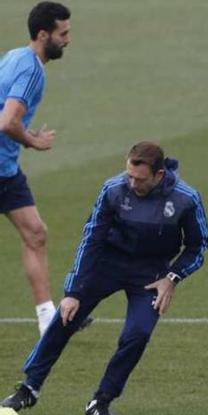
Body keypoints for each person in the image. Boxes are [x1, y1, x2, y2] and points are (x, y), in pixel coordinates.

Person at [0, 142, 208, 415]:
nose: (132, 183)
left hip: (151, 274)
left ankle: (101, 401)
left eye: (140, 179)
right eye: (129, 176)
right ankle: (29, 388)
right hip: (107, 263)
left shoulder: (186, 198)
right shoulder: (113, 189)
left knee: (138, 334)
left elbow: (199, 245)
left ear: (159, 175)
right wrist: (73, 291)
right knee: (65, 316)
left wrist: (172, 278)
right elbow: (92, 239)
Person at [0, 2, 71, 336]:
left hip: (6, 169)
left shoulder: (15, 55)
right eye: (63, 33)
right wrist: (33, 141)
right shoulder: (30, 69)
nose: (68, 40)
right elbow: (8, 121)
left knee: (35, 233)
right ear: (44, 35)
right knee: (35, 234)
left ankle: (48, 320)